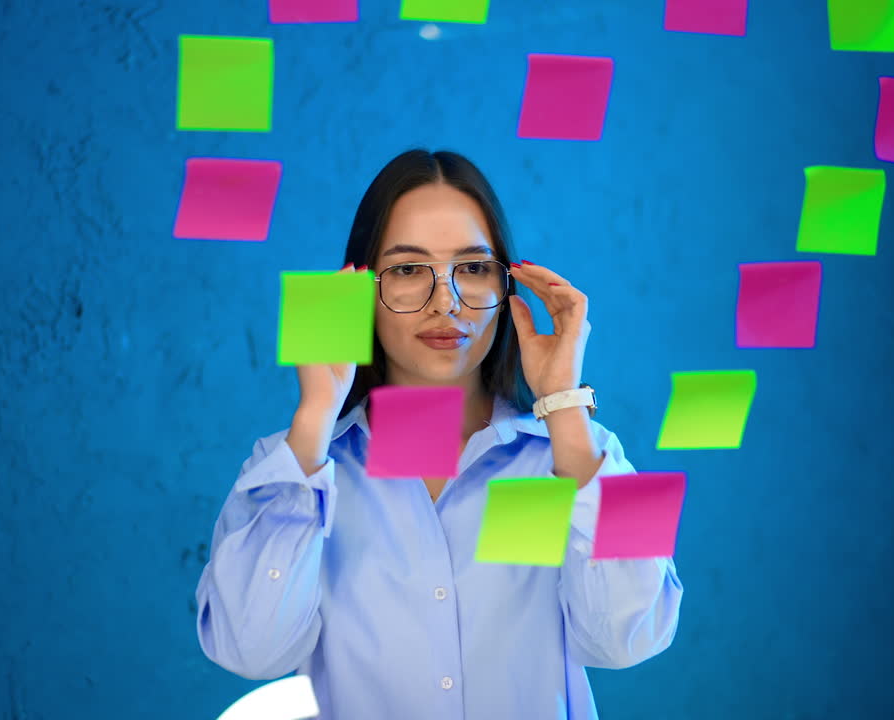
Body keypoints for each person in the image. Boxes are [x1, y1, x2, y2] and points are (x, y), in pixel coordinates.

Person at [194, 149, 683, 719]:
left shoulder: (583, 458)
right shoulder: (289, 470)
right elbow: (247, 650)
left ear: (507, 284)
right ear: (358, 291)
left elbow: (633, 639)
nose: (446, 303)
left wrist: (566, 410)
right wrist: (313, 421)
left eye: (473, 268)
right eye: (406, 270)